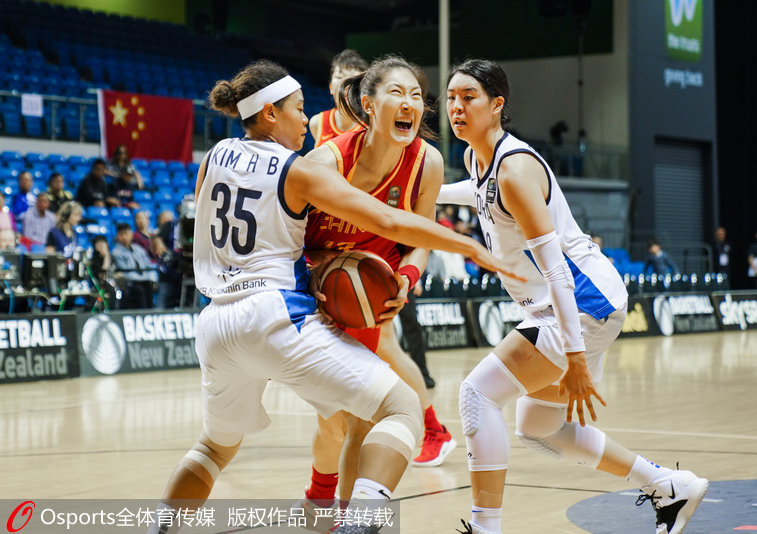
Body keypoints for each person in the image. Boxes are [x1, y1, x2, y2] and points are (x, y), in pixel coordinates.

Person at [147, 59, 515, 534]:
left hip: (216, 323)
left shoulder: (214, 155)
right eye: (299, 110)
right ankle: (357, 525)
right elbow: (386, 222)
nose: (308, 120)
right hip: (277, 314)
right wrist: (469, 246)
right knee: (403, 408)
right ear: (270, 114)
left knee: (213, 448)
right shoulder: (299, 169)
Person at [437, 59, 707, 534]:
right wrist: (431, 193)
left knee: (477, 393)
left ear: (497, 106)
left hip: (583, 302)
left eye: (468, 97)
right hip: (579, 303)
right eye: (451, 97)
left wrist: (575, 356)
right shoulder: (477, 159)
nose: (456, 107)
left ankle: (486, 528)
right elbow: (479, 195)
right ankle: (669, 484)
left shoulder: (515, 170)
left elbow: (559, 272)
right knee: (539, 430)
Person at [302, 56, 458, 512]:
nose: (410, 103)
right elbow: (287, 234)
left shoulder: (426, 162)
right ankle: (317, 497)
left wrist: (407, 278)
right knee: (331, 424)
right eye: (397, 93)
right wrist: (312, 271)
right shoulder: (326, 156)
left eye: (416, 96)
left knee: (358, 423)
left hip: (368, 298)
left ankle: (344, 518)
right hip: (316, 296)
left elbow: (422, 239)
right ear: (368, 104)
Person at [308, 49, 368, 147]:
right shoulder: (317, 123)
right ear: (331, 87)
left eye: (353, 78)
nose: (346, 84)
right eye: (340, 77)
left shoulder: (371, 126)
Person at [111, 222, 157, 309]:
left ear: (131, 234)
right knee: (140, 289)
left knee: (150, 286)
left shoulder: (139, 249)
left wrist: (151, 278)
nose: (125, 237)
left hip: (145, 280)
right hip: (129, 282)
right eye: (122, 234)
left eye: (127, 233)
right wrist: (144, 279)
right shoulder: (116, 253)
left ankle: (151, 312)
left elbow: (148, 264)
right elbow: (125, 271)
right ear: (118, 236)